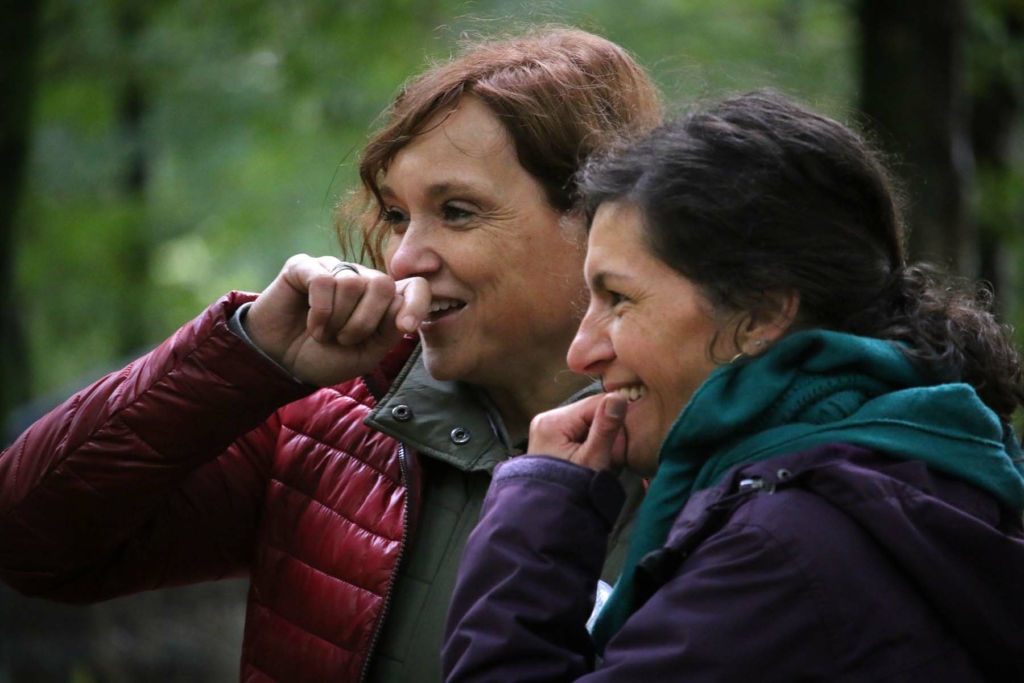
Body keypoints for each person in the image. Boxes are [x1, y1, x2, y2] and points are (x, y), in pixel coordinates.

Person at [0, 28, 661, 683]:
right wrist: (246, 354)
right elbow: (31, 537)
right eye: (398, 215)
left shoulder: (702, 460)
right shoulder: (330, 426)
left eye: (457, 212)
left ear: (599, 221)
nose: (403, 259)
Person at [442, 91, 1024, 682]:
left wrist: (538, 506)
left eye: (619, 299)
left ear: (760, 316)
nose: (582, 351)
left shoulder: (778, 550)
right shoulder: (913, 464)